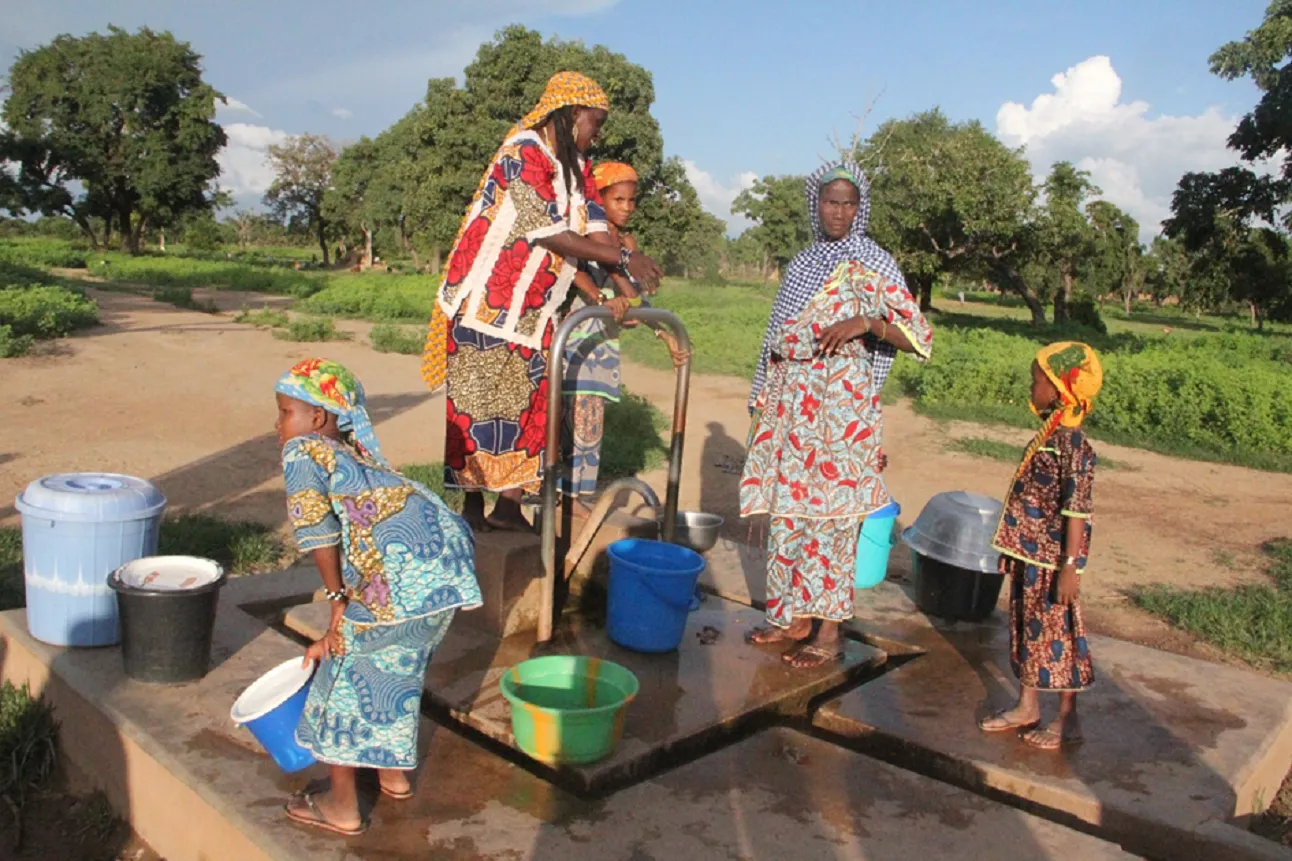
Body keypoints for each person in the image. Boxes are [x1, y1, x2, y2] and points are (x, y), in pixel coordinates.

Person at [421, 71, 664, 532]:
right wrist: (623, 254)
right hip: (487, 306)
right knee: (478, 409)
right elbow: (552, 233)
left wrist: (629, 272)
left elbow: (596, 232)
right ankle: (472, 510)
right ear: (573, 116)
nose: (598, 133)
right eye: (596, 122)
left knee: (529, 412)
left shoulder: (578, 174)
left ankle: (509, 510)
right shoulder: (523, 152)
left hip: (535, 316)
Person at [274, 358, 482, 836]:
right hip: (444, 576)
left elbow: (317, 532)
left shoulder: (305, 451)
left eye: (285, 412)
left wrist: (337, 607)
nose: (278, 425)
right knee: (392, 672)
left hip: (399, 583)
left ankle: (342, 805)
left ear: (318, 419)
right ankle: (392, 776)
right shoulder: (354, 452)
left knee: (341, 684)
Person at [741, 160, 933, 669]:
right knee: (790, 513)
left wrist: (865, 322)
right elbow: (772, 341)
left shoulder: (873, 262)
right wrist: (762, 402)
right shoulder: (803, 263)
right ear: (816, 203)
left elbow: (917, 337)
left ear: (860, 207)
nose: (839, 211)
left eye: (849, 202)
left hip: (841, 410)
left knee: (834, 518)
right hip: (791, 407)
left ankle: (829, 632)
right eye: (831, 201)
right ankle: (793, 619)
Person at [978, 342, 1102, 750]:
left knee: (1059, 634)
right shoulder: (1051, 434)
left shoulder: (1073, 446)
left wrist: (1069, 566)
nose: (1030, 389)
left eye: (1036, 382)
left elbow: (1077, 511)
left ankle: (1069, 719)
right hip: (1029, 555)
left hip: (1053, 562)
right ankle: (1027, 705)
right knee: (1026, 630)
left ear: (1060, 389)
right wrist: (1012, 546)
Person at [560, 161, 688, 507]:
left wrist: (663, 335)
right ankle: (568, 501)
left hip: (603, 341)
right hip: (576, 335)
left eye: (631, 201)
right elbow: (572, 272)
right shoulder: (587, 232)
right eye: (618, 200)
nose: (626, 208)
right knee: (574, 418)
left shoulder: (626, 242)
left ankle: (577, 499)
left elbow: (633, 294)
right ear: (599, 198)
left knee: (591, 422)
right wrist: (603, 298)